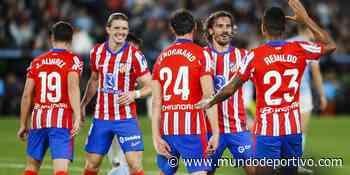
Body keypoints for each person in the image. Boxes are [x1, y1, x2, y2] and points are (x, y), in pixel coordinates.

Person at [196, 0, 336, 175]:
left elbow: (231, 88)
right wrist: (306, 19)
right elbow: (331, 46)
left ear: (263, 28)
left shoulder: (254, 56)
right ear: (284, 28)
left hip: (267, 131)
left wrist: (211, 101)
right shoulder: (299, 48)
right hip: (292, 129)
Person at [81, 12, 152, 175]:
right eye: (117, 28)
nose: (121, 32)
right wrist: (83, 104)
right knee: (92, 165)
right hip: (101, 118)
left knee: (135, 165)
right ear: (108, 29)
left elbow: (151, 85)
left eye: (124, 29)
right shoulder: (96, 52)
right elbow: (93, 80)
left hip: (126, 119)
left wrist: (135, 94)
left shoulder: (135, 55)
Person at [152, 9, 219, 175]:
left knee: (165, 172)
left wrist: (155, 137)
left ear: (172, 29)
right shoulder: (202, 54)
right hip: (192, 131)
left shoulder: (161, 57)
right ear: (195, 27)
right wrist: (216, 132)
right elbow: (209, 96)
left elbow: (156, 102)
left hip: (167, 129)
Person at [17, 21, 83, 175]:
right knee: (60, 170)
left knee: (31, 168)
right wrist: (78, 115)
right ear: (71, 39)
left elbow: (27, 94)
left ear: (52, 38)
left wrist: (23, 124)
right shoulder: (73, 60)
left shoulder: (37, 62)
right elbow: (73, 88)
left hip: (38, 119)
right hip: (61, 121)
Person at [203, 10, 254, 175]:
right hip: (209, 128)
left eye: (228, 26)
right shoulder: (201, 56)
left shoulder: (243, 56)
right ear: (211, 30)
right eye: (220, 26)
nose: (225, 30)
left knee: (256, 171)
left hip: (237, 128)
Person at [288, 25, 328, 174]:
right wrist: (322, 95)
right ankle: (294, 164)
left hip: (287, 94)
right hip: (303, 93)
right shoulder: (310, 46)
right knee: (301, 132)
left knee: (286, 129)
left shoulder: (288, 43)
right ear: (309, 30)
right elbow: (316, 74)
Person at [107, 32, 143, 175]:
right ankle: (117, 164)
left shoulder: (134, 66)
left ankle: (117, 165)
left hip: (127, 115)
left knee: (127, 160)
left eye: (137, 50)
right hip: (111, 114)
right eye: (133, 48)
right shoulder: (112, 63)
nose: (135, 53)